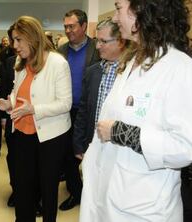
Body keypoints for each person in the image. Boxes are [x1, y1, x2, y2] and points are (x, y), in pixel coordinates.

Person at [80, 0, 192, 221]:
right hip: (107, 191)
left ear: (142, 10)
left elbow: (185, 146)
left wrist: (124, 133)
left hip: (143, 206)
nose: (114, 17)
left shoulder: (180, 68)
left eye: (119, 8)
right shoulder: (132, 61)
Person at [0, 16, 72, 222]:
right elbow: (17, 92)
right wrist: (8, 103)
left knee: (47, 189)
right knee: (22, 187)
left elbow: (65, 104)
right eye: (13, 40)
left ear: (32, 37)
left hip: (50, 137)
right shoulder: (20, 61)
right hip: (22, 134)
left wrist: (34, 109)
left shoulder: (57, 63)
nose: (14, 46)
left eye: (18, 40)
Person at [57, 8, 101, 211]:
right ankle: (76, 192)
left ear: (83, 26)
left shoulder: (97, 49)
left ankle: (94, 193)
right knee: (67, 154)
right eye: (65, 26)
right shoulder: (61, 52)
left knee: (88, 153)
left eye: (72, 26)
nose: (68, 30)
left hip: (90, 112)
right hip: (65, 111)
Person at [73, 18, 128, 158]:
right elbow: (84, 109)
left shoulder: (131, 73)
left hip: (119, 149)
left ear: (121, 41)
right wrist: (79, 144)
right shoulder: (93, 72)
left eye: (103, 41)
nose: (97, 46)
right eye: (97, 40)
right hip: (93, 145)